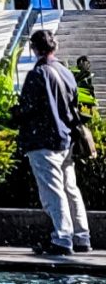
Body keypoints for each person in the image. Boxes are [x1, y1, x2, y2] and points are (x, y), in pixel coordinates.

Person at [16, 27, 92, 259]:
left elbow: (27, 109)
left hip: (43, 141)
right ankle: (82, 237)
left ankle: (62, 238)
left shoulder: (37, 74)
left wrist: (16, 115)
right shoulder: (66, 73)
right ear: (54, 47)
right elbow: (76, 106)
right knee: (71, 189)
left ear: (34, 48)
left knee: (53, 191)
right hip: (65, 139)